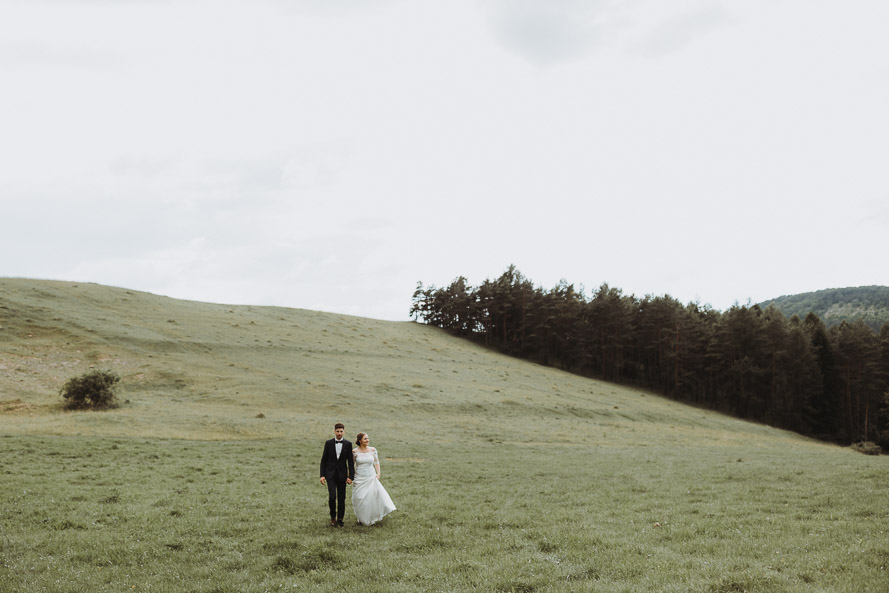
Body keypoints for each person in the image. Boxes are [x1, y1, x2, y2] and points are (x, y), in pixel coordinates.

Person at [351, 432, 396, 525]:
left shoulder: (373, 450)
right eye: (365, 439)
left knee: (371, 497)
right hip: (359, 477)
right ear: (360, 441)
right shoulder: (354, 452)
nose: (367, 440)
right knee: (359, 497)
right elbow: (351, 465)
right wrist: (351, 476)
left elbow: (376, 462)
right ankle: (361, 517)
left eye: (368, 438)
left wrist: (378, 473)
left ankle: (372, 517)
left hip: (371, 476)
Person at [319, 422, 355, 527]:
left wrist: (350, 477)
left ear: (344, 432)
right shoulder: (328, 443)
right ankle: (333, 518)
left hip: (342, 475)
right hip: (330, 475)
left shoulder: (348, 444)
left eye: (341, 431)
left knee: (341, 498)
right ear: (334, 431)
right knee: (332, 497)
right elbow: (323, 460)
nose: (339, 433)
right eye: (337, 431)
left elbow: (350, 462)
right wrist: (322, 475)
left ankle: (340, 519)